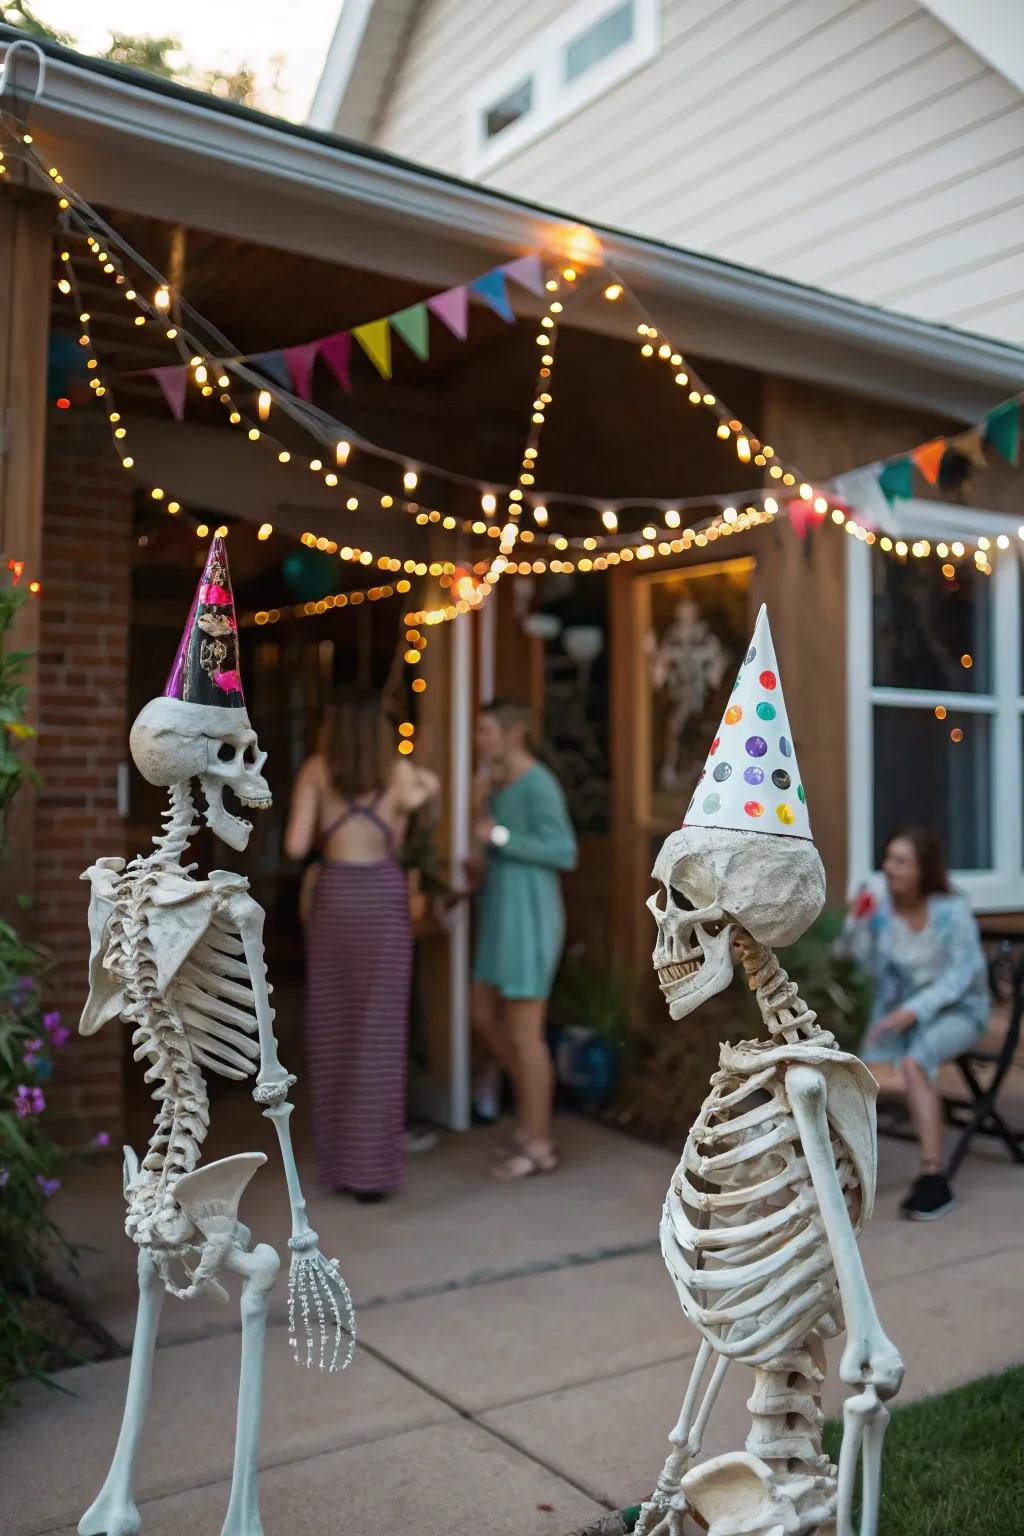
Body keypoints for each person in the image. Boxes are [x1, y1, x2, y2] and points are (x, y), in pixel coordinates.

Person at [284, 688, 439, 1202]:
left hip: (335, 898)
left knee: (333, 1031)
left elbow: (294, 846)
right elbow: (427, 787)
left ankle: (339, 1167)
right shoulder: (397, 774)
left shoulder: (315, 770)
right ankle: (372, 1174)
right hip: (382, 896)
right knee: (380, 1036)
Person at [839, 825, 988, 1221]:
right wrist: (855, 922)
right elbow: (860, 965)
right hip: (897, 1013)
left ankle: (933, 1178)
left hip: (958, 1010)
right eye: (887, 859)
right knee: (853, 1069)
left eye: (900, 861)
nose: (889, 868)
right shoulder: (883, 910)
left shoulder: (952, 911)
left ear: (923, 869)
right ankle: (842, 1173)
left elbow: (964, 974)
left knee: (915, 1061)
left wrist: (913, 1012)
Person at [470, 698, 577, 1181]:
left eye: (487, 732)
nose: (480, 740)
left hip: (530, 918)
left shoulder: (539, 784)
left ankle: (539, 1142)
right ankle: (531, 1117)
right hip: (499, 914)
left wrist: (500, 838)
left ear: (514, 733)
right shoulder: (495, 782)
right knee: (482, 1016)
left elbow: (564, 851)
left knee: (525, 1034)